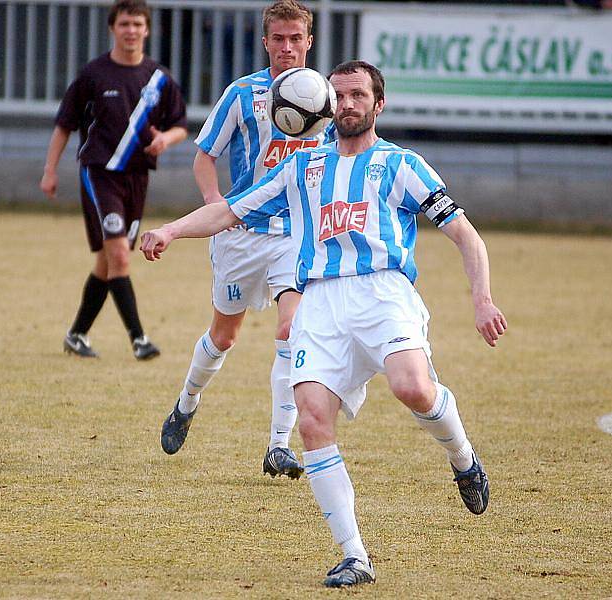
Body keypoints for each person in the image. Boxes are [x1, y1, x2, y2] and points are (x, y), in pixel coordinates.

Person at [140, 60, 507, 588]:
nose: (349, 103)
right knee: (312, 421)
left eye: (359, 94)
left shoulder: (402, 164)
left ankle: (463, 458)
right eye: (340, 95)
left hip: (384, 293)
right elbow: (230, 211)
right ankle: (355, 556)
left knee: (414, 389)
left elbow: (467, 237)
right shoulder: (302, 168)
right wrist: (170, 231)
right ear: (327, 106)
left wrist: (482, 301)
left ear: (378, 105)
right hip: (321, 302)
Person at [157, 0, 332, 479]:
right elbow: (204, 156)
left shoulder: (324, 98)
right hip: (241, 235)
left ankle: (279, 445)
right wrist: (219, 206)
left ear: (309, 41)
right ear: (265, 41)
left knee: (290, 330)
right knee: (223, 336)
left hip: (294, 236)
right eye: (279, 39)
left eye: (296, 39)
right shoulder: (242, 94)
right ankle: (187, 401)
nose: (287, 48)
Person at [40, 0, 187, 360]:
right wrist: (49, 170)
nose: (131, 30)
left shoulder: (160, 79)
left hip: (136, 177)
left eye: (138, 24)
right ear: (112, 28)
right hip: (99, 172)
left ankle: (77, 334)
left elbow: (181, 126)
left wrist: (164, 140)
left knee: (108, 263)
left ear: (147, 30)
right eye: (124, 24)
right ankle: (139, 339)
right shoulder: (93, 75)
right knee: (119, 255)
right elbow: (65, 124)